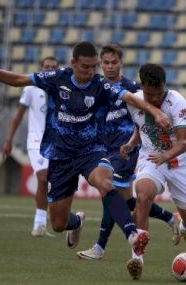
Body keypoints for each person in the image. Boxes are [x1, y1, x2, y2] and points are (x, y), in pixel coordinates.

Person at [0, 42, 171, 265]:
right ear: (73, 63)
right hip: (61, 155)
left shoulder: (100, 84)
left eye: (94, 67)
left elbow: (130, 98)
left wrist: (155, 111)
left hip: (90, 150)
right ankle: (76, 223)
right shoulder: (58, 77)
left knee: (105, 182)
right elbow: (19, 80)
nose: (91, 71)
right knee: (57, 223)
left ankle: (132, 234)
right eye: (85, 67)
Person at [76, 44, 180, 261]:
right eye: (106, 62)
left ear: (121, 63)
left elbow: (147, 119)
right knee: (126, 202)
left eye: (114, 62)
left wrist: (134, 143)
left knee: (109, 193)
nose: (110, 66)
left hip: (125, 151)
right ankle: (171, 219)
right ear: (100, 64)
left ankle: (100, 248)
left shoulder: (134, 90)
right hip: (104, 148)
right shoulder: (98, 88)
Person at [121, 63, 186, 280]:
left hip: (179, 163)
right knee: (144, 195)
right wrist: (131, 144)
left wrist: (165, 156)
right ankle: (137, 258)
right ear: (142, 87)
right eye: (149, 94)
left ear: (164, 86)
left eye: (157, 94)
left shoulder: (177, 103)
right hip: (150, 159)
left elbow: (183, 142)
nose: (154, 99)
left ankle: (182, 226)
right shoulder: (136, 100)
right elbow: (141, 127)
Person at [3, 56, 59, 237]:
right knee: (43, 178)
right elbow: (18, 115)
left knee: (50, 183)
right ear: (40, 68)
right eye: (46, 67)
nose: (49, 70)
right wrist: (9, 139)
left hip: (58, 143)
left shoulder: (63, 89)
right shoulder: (31, 88)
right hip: (36, 142)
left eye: (53, 67)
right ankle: (39, 224)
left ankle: (43, 222)